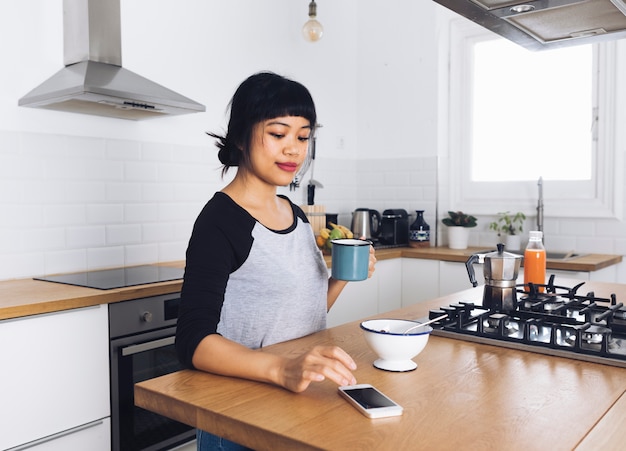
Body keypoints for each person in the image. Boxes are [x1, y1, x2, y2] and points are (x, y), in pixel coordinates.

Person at [175, 71, 376, 451]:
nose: (294, 150)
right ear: (241, 135)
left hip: (293, 400)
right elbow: (193, 341)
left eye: (303, 137)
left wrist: (344, 276)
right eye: (278, 133)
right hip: (238, 411)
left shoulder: (294, 213)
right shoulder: (221, 220)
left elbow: (301, 310)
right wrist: (282, 369)